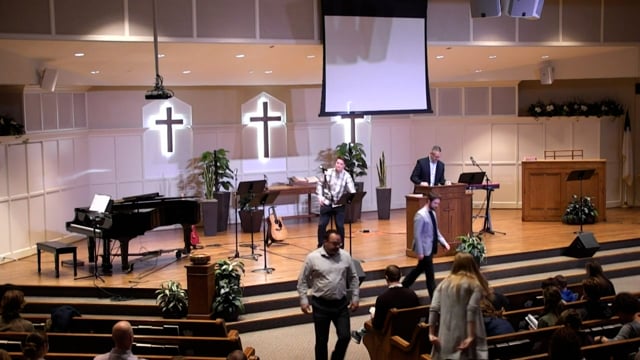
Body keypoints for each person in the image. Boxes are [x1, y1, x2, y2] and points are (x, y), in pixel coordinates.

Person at [297, 229, 360, 360]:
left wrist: (355, 297)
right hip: (321, 305)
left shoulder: (345, 256)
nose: (338, 247)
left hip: (341, 304)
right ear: (325, 241)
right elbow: (302, 280)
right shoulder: (312, 258)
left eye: (339, 244)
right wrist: (303, 299)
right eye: (334, 243)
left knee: (345, 336)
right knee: (321, 341)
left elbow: (353, 277)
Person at [428, 252, 489, 360]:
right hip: (465, 336)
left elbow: (433, 308)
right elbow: (471, 309)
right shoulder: (474, 284)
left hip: (445, 339)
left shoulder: (443, 284)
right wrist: (470, 336)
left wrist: (431, 333)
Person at [350, 264, 420, 344]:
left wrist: (373, 315)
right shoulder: (412, 294)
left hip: (391, 334)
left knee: (373, 318)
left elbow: (377, 326)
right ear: (401, 275)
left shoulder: (382, 299)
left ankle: (359, 333)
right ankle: (358, 333)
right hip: (410, 331)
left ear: (386, 278)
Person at [401, 192, 450, 299]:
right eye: (435, 203)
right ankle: (434, 298)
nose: (437, 206)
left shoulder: (433, 213)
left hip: (430, 247)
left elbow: (435, 231)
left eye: (438, 203)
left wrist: (444, 242)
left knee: (418, 270)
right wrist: (420, 252)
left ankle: (402, 287)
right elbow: (417, 235)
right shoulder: (420, 215)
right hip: (424, 249)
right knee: (430, 276)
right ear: (428, 201)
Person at [316, 157, 356, 248]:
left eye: (341, 164)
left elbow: (352, 190)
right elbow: (319, 184)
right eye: (337, 163)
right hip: (327, 202)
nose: (338, 165)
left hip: (339, 204)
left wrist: (350, 196)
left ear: (344, 166)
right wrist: (320, 197)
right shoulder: (328, 173)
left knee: (340, 226)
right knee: (322, 225)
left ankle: (340, 247)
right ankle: (320, 246)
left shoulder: (347, 176)